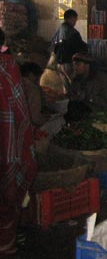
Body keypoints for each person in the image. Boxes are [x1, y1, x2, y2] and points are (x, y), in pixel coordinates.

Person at [0, 32, 36, 257]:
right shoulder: (8, 67)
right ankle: (6, 242)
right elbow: (18, 110)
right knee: (8, 189)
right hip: (6, 141)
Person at [67, 52, 107, 121]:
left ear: (87, 65)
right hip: (87, 110)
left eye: (78, 64)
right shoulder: (76, 79)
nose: (75, 68)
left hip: (103, 112)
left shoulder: (100, 79)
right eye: (74, 65)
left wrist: (87, 97)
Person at [51, 9, 88, 83]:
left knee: (64, 83)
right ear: (71, 19)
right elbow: (79, 47)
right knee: (72, 83)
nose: (75, 22)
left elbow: (53, 44)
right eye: (75, 20)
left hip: (59, 62)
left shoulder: (60, 30)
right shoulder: (72, 32)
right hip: (68, 62)